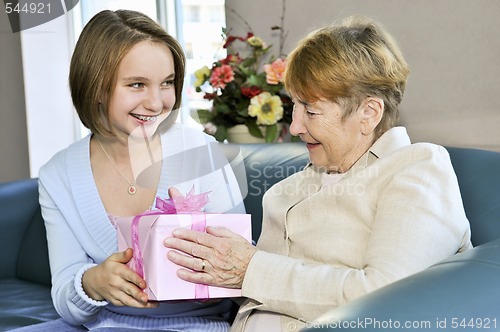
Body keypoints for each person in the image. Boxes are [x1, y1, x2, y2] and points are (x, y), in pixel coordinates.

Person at [163, 15, 473, 331]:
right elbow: (262, 288)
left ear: (369, 113)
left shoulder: (417, 168)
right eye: (295, 106)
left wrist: (249, 270)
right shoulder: (289, 190)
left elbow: (389, 296)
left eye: (311, 111)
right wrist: (206, 263)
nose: (295, 127)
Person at [32, 9, 245, 332]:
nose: (157, 103)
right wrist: (92, 282)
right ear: (97, 87)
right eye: (137, 85)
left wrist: (213, 269)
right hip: (105, 326)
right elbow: (64, 297)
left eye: (167, 83)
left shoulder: (200, 152)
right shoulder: (57, 175)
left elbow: (246, 272)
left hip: (198, 325)